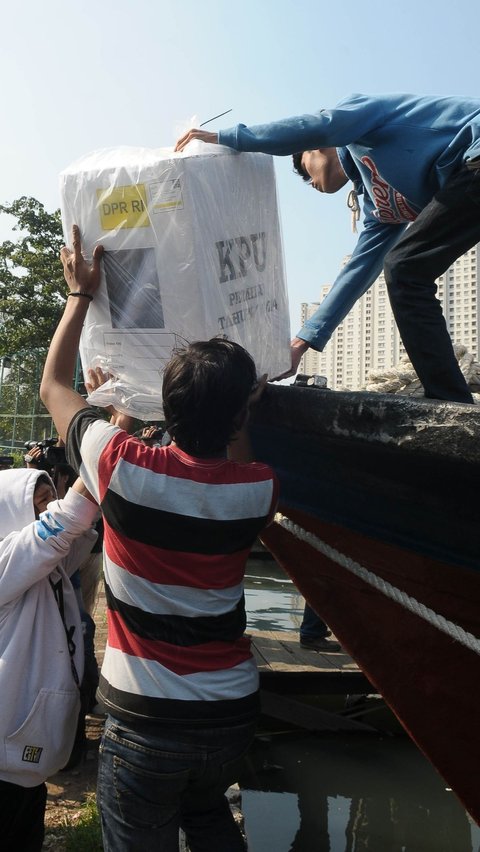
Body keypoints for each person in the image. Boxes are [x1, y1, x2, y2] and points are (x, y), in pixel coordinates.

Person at [40, 225, 279, 852]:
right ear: (239, 416)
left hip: (149, 718)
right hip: (230, 712)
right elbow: (236, 454)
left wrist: (80, 296)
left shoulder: (122, 466)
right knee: (207, 820)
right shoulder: (256, 489)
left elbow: (53, 389)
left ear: (164, 408)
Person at [175, 93, 480, 404]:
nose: (310, 183)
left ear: (316, 148)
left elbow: (321, 126)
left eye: (305, 170)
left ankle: (450, 402)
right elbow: (356, 273)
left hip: (475, 151)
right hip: (467, 185)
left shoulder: (360, 125)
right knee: (403, 268)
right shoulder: (378, 206)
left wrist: (229, 138)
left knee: (405, 268)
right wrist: (301, 343)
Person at [0, 466, 98, 852]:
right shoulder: (6, 562)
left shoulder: (45, 568)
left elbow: (76, 531)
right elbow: (65, 520)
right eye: (39, 502)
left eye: (51, 497)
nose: (49, 507)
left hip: (24, 754)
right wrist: (105, 441)